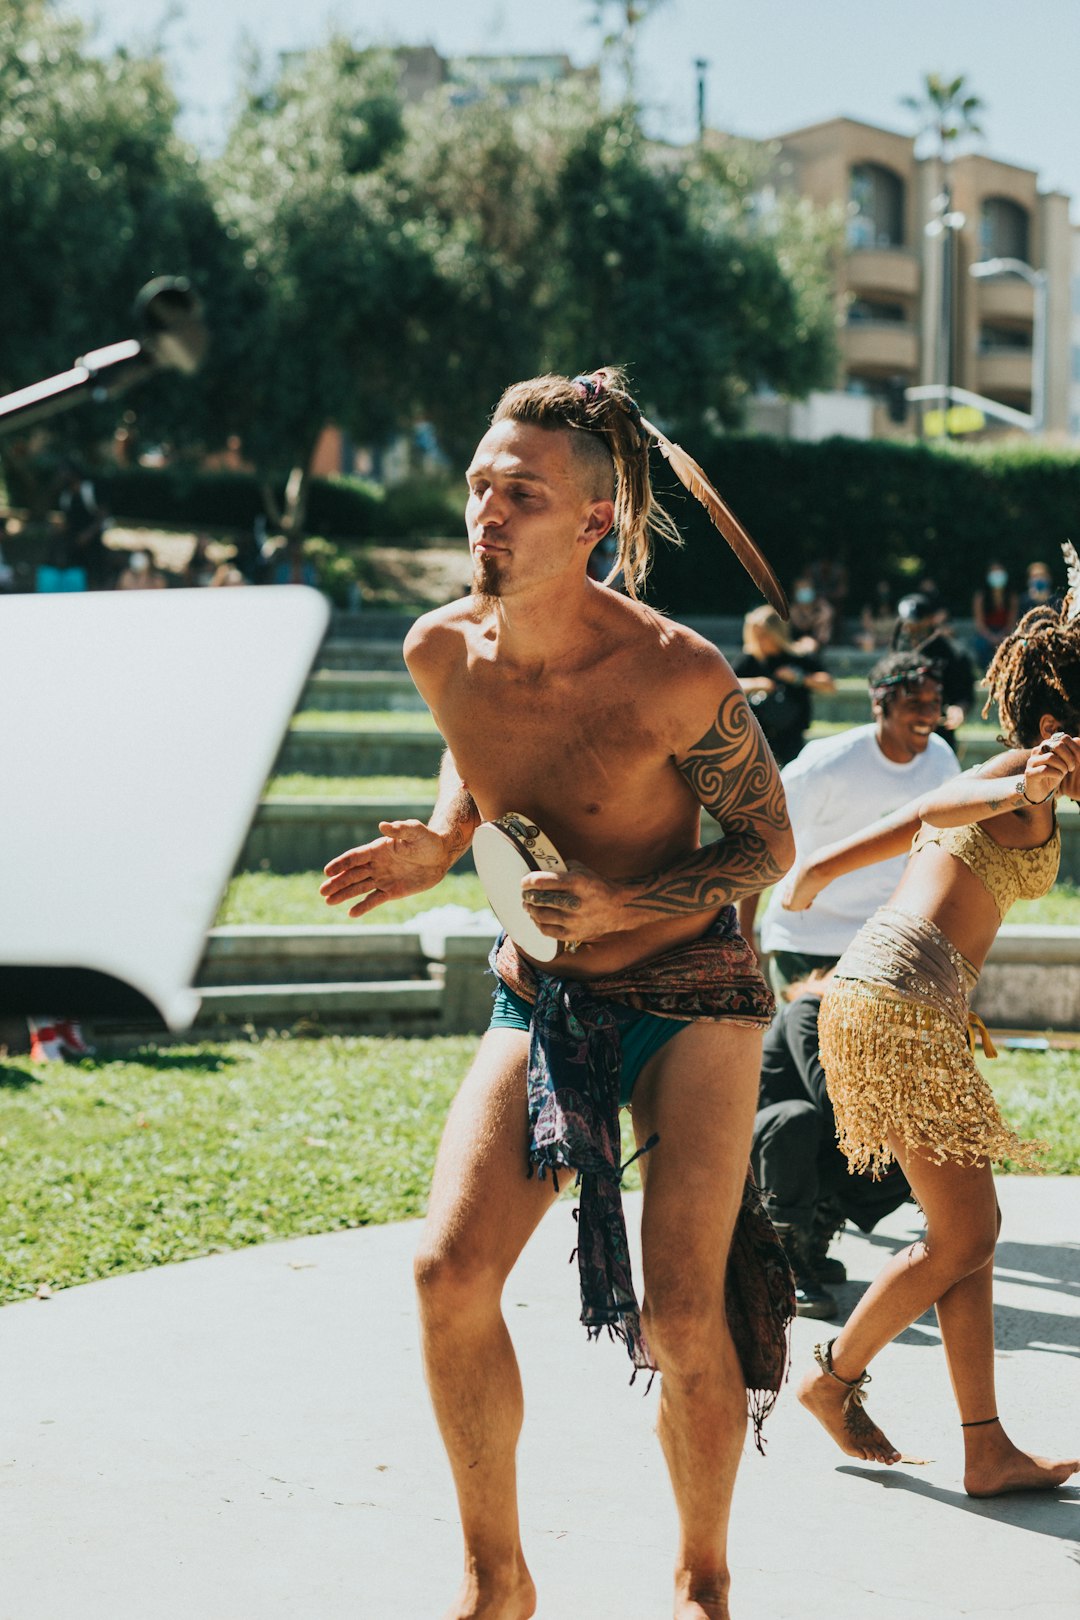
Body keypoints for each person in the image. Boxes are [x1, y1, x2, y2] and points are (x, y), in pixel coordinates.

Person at [321, 365, 796, 1620]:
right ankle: (499, 1581)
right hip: (543, 995)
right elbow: (478, 758)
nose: (487, 508)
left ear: (593, 520)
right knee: (447, 1276)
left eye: (521, 493)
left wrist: (630, 904)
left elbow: (766, 848)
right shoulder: (440, 648)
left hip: (693, 993)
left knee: (681, 1310)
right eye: (479, 483)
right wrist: (441, 838)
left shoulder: (676, 672)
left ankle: (702, 1579)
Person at [780, 580, 1080, 1497]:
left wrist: (821, 868)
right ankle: (833, 1380)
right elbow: (936, 810)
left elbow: (915, 823)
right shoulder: (1018, 783)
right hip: (897, 1007)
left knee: (967, 1235)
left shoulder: (1032, 788)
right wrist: (1022, 781)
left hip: (900, 1004)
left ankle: (985, 1447)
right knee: (966, 1234)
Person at [738, 650, 957, 1312]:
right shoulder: (827, 765)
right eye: (915, 700)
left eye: (934, 700)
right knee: (833, 1091)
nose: (929, 713)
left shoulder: (942, 761)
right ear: (880, 702)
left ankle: (828, 1207)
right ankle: (789, 1225)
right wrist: (747, 933)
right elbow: (760, 834)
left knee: (892, 1106)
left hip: (888, 949)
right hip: (810, 941)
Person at [752, 978, 912, 1319]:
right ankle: (782, 1256)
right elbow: (828, 1097)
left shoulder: (874, 1024)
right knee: (799, 1117)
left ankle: (814, 1233)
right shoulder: (809, 1011)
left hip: (810, 1154)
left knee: (913, 1144)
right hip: (760, 1156)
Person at [733, 605, 835, 768]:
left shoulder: (797, 657)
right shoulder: (751, 659)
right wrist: (756, 684)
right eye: (756, 635)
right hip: (759, 733)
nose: (760, 640)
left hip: (791, 733)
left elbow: (829, 684)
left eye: (764, 635)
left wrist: (799, 677)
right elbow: (729, 683)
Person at [892, 591, 974, 753]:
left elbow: (964, 694)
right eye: (906, 624)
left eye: (916, 624)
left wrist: (958, 709)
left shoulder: (954, 653)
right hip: (901, 732)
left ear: (930, 620)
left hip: (938, 733)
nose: (910, 629)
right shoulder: (898, 650)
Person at [971, 560, 1018, 669]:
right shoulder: (981, 597)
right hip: (986, 633)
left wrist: (1002, 635)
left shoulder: (1011, 596)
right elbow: (979, 624)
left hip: (1005, 631)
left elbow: (1012, 622)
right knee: (981, 645)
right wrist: (991, 638)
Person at [787, 572, 834, 651]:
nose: (804, 591)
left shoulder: (823, 608)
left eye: (807, 588)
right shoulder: (790, 611)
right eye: (801, 589)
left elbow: (824, 636)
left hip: (819, 647)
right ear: (795, 592)